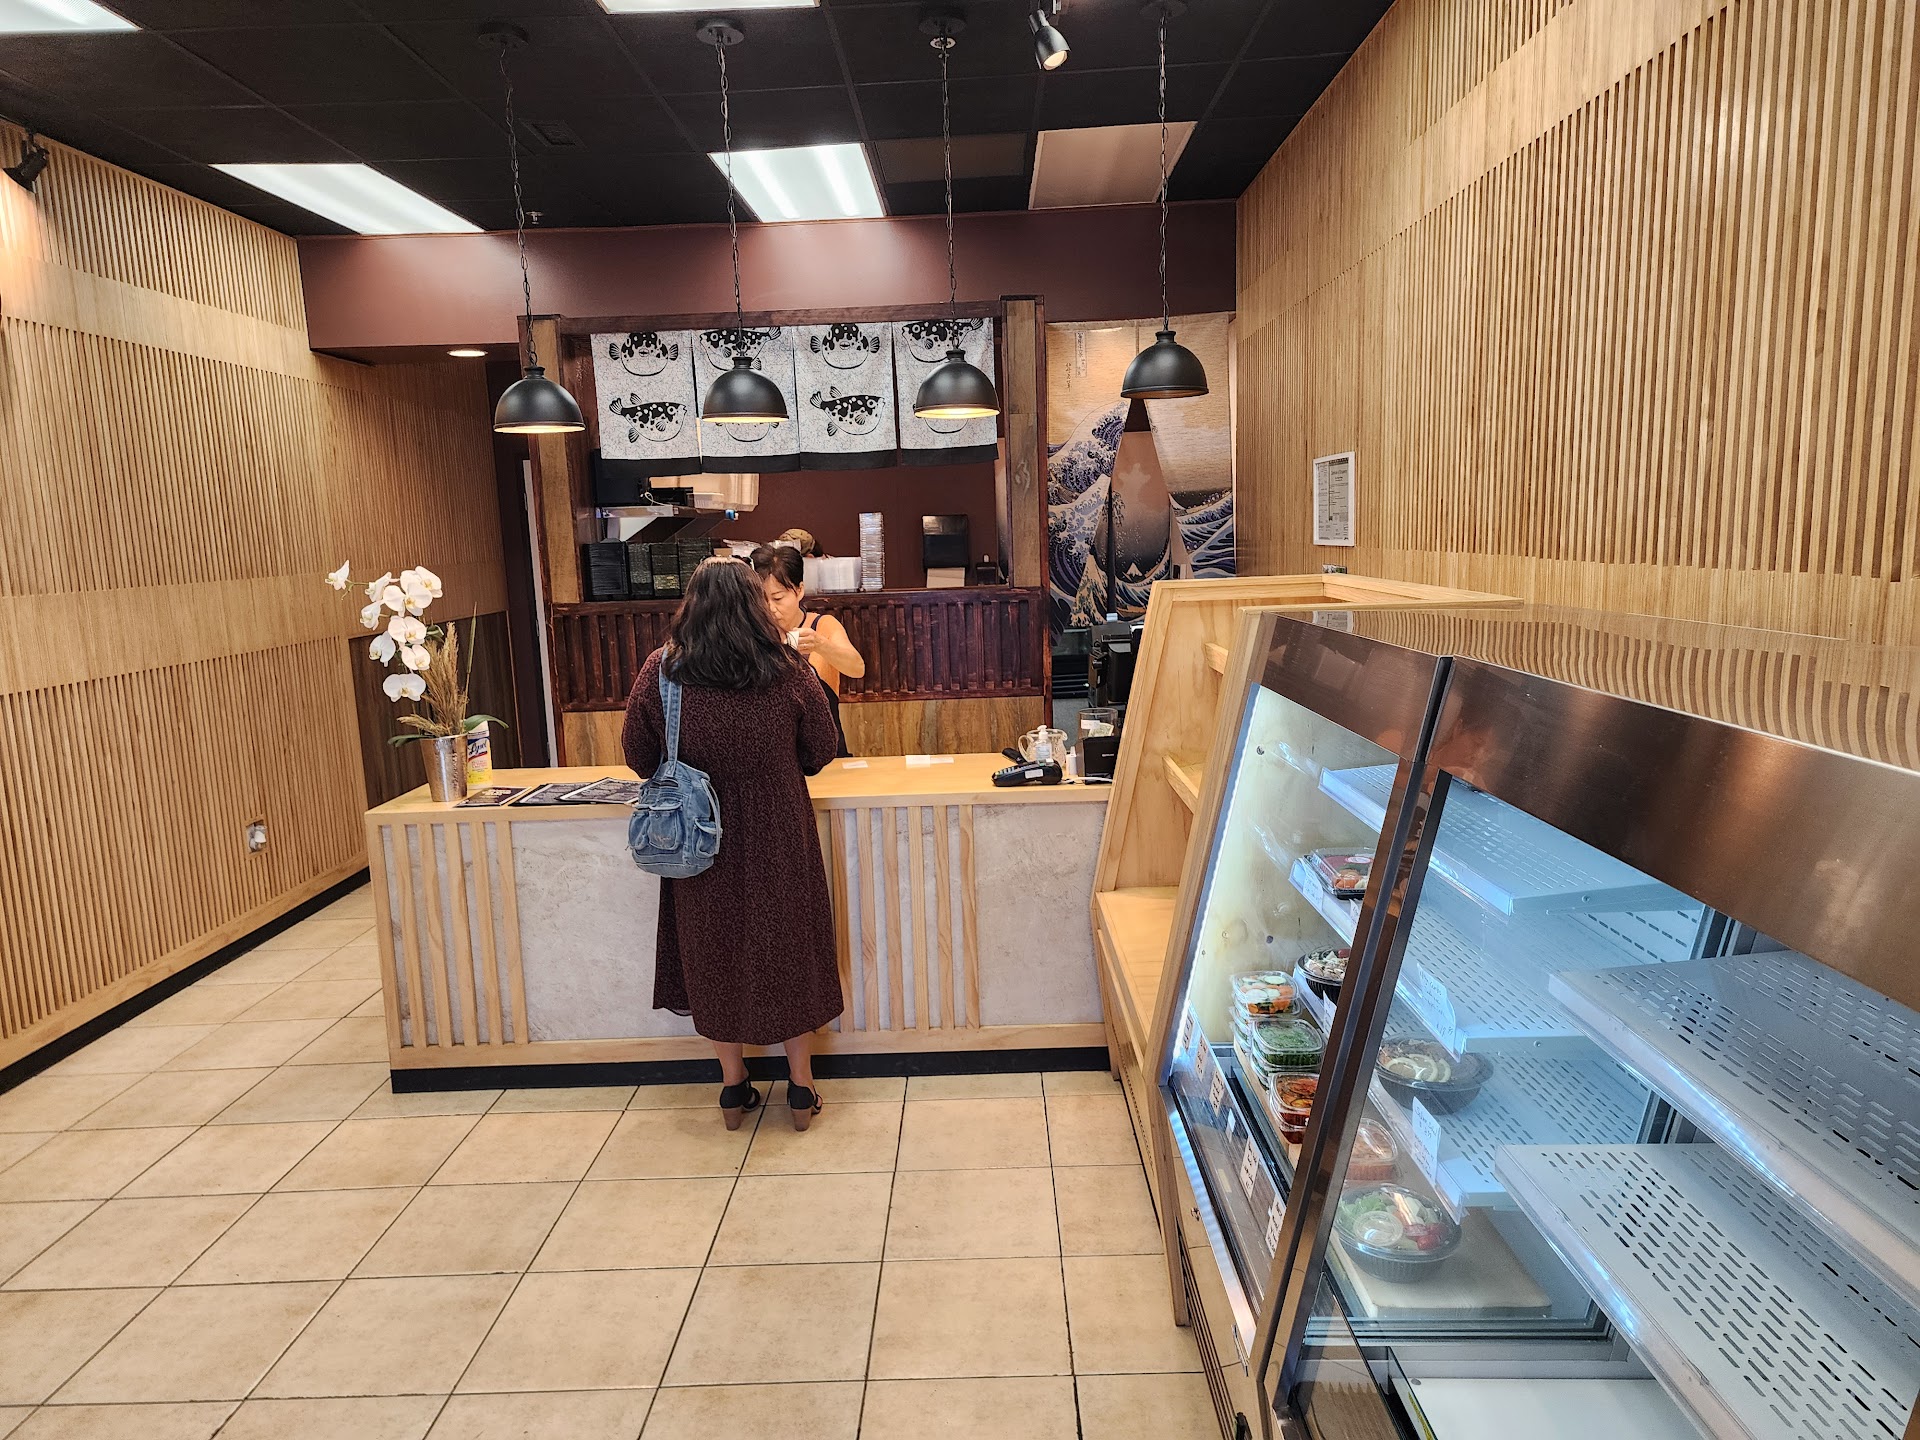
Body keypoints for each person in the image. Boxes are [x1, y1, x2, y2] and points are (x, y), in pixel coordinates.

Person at [620, 558, 843, 1131]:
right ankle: (801, 1088)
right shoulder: (788, 669)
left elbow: (640, 757)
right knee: (789, 952)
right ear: (753, 604)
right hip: (779, 833)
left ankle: (732, 1087)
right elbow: (821, 751)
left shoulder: (662, 670)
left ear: (691, 606)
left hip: (699, 841)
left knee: (712, 954)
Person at [751, 543, 866, 758]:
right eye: (762, 599)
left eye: (778, 598)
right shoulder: (752, 635)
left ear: (800, 590)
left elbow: (857, 668)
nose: (770, 608)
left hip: (824, 750)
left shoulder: (822, 626)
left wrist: (821, 645)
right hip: (773, 754)